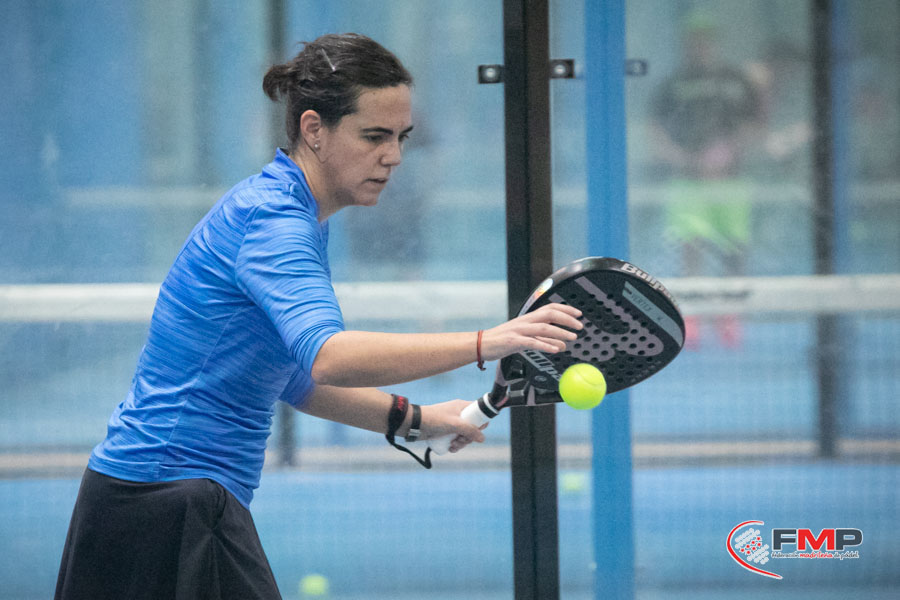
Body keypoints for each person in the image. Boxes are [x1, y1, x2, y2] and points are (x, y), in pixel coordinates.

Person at [54, 33, 582, 600]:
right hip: (168, 501)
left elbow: (293, 379)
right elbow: (329, 358)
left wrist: (417, 418)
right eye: (374, 136)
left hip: (152, 498)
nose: (394, 156)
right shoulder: (274, 221)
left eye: (401, 137)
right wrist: (488, 341)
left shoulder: (294, 213)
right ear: (314, 129)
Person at [648, 14, 763, 348]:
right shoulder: (672, 84)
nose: (701, 46)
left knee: (734, 248)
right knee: (691, 246)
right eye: (695, 39)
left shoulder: (737, 81)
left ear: (716, 42)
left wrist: (728, 151)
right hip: (688, 183)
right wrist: (685, 159)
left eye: (707, 39)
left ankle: (730, 315)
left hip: (732, 182)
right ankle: (692, 315)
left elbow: (755, 124)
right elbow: (655, 131)